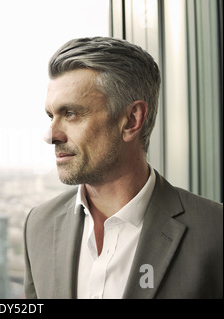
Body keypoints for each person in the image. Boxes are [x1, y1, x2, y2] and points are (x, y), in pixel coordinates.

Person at [23, 36, 223, 299]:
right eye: (52, 116)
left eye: (70, 114)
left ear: (131, 120)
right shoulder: (38, 224)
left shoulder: (215, 231)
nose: (51, 135)